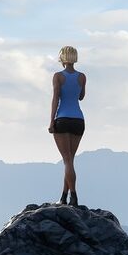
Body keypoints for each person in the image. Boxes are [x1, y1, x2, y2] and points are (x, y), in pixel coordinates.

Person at [48, 45, 86, 206]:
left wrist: (51, 121)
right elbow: (81, 97)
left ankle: (74, 196)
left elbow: (56, 98)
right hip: (78, 120)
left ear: (62, 58)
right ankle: (64, 197)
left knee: (67, 161)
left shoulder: (58, 77)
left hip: (62, 120)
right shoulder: (82, 77)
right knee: (70, 160)